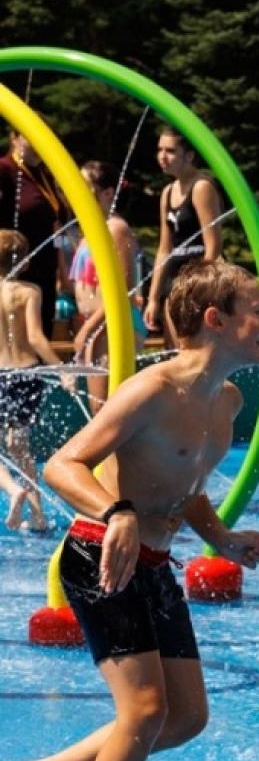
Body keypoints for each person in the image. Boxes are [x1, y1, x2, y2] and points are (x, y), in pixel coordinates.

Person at [2, 261, 259, 761]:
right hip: (102, 555)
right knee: (146, 711)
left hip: (153, 564)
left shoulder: (226, 400)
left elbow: (190, 485)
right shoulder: (151, 391)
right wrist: (116, 512)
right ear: (215, 319)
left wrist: (223, 536)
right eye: (254, 309)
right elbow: (63, 462)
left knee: (186, 716)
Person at [71, 160, 149, 412]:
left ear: (107, 193)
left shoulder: (116, 229)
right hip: (97, 324)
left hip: (115, 322)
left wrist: (87, 330)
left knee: (110, 410)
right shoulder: (91, 230)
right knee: (99, 408)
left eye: (85, 186)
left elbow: (123, 290)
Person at [0, 229, 64, 530]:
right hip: (25, 373)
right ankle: (38, 516)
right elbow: (37, 339)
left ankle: (13, 490)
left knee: (8, 446)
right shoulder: (29, 291)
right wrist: (62, 369)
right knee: (20, 445)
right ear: (23, 261)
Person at [146, 127, 223, 347]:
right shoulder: (168, 193)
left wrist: (199, 288)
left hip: (198, 280)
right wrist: (153, 298)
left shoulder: (201, 187)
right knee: (175, 349)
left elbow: (213, 246)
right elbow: (164, 249)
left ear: (189, 156)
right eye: (159, 149)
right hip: (175, 280)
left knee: (197, 350)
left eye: (170, 151)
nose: (162, 156)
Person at [0, 127, 70, 338]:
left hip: (44, 273)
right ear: (14, 138)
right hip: (14, 273)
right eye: (33, 135)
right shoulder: (4, 170)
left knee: (40, 334)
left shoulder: (45, 173)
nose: (40, 142)